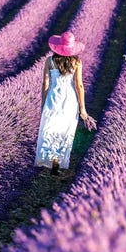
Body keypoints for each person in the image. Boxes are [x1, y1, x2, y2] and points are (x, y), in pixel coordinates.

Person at [34, 30, 92, 176]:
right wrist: (83, 109)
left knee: (51, 129)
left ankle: (51, 162)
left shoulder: (50, 61)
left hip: (53, 98)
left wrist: (43, 104)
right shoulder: (76, 62)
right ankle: (55, 164)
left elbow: (45, 84)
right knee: (65, 130)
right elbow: (79, 86)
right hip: (70, 101)